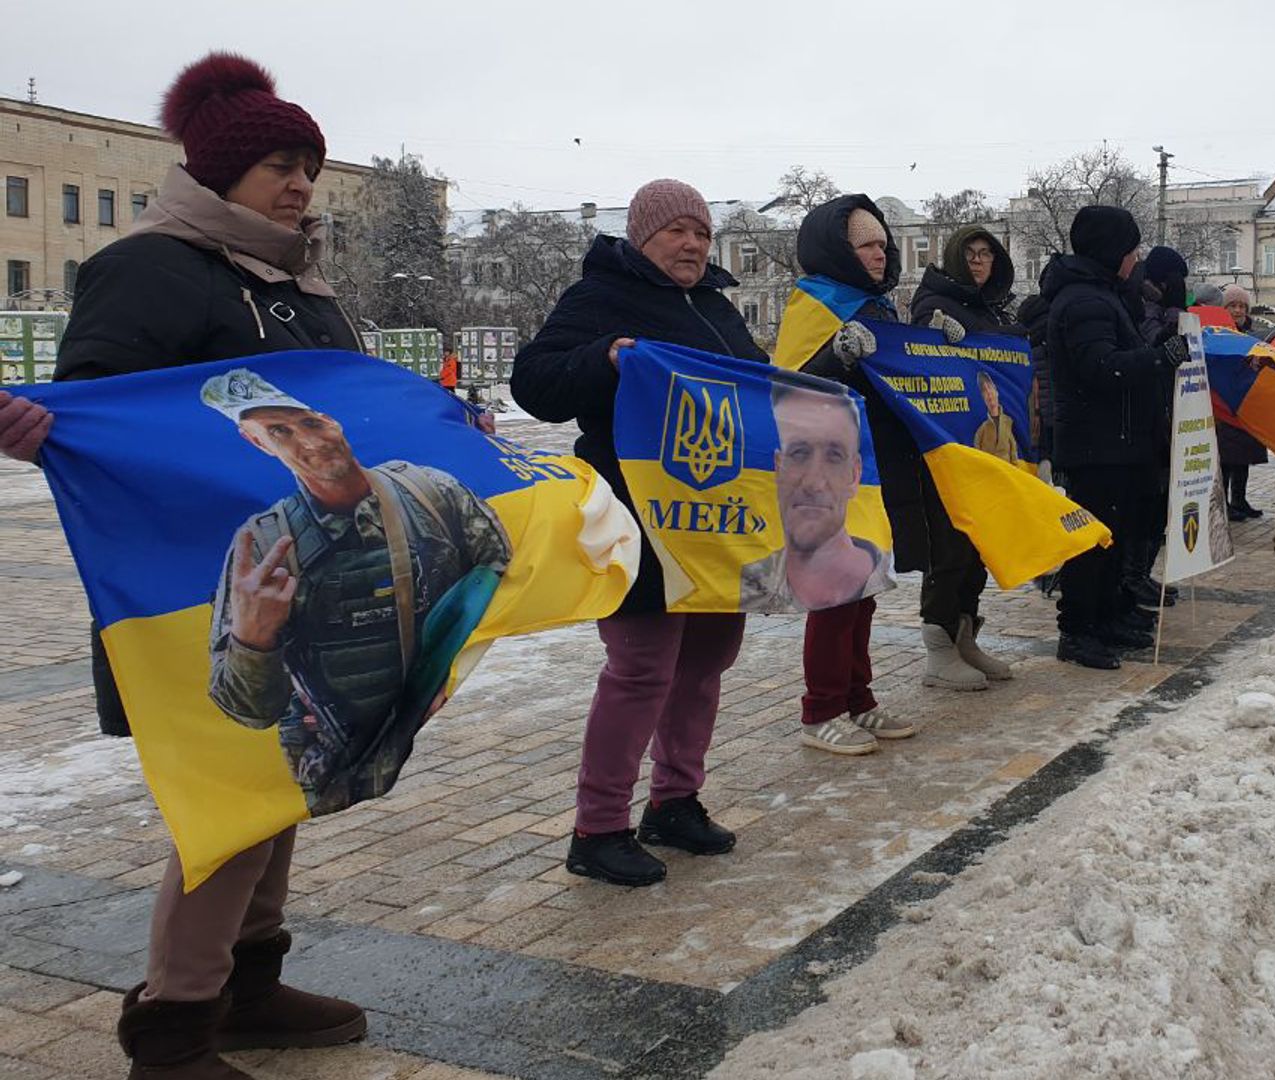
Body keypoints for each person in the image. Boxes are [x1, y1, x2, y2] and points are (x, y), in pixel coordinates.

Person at [0, 53, 368, 1080]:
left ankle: (250, 985)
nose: (299, 185)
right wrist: (41, 429)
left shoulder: (300, 287)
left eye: (309, 167)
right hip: (197, 590)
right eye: (278, 165)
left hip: (312, 576)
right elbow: (99, 416)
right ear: (216, 172)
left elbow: (346, 414)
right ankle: (172, 1027)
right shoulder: (149, 268)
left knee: (284, 779)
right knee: (227, 802)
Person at [512, 178, 765, 888]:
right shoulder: (599, 298)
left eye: (702, 233)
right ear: (642, 235)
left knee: (707, 658)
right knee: (642, 667)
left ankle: (675, 801)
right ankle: (598, 828)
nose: (691, 245)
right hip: (636, 510)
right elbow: (533, 380)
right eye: (677, 231)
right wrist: (607, 359)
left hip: (715, 516)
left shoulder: (714, 304)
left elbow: (754, 389)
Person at [204, 370, 511, 814]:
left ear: (332, 421)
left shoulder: (431, 493)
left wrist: (483, 449)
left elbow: (511, 572)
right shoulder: (264, 545)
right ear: (258, 445)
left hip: (416, 730)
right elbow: (248, 712)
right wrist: (253, 640)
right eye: (279, 432)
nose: (309, 441)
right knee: (251, 858)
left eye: (310, 423)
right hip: (326, 766)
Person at [787, 195, 923, 753]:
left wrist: (934, 345)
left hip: (871, 463)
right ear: (838, 248)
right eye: (865, 244)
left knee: (862, 586)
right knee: (833, 592)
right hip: (826, 467)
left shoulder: (878, 305)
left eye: (882, 245)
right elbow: (791, 385)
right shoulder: (814, 305)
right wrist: (837, 356)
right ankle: (821, 709)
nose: (877, 254)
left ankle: (857, 698)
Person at [1044, 206, 1185, 669]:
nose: (1136, 257)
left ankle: (1105, 616)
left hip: (1116, 442)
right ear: (1112, 251)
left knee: (1114, 539)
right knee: (1091, 544)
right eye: (1131, 249)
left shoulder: (1102, 295)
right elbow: (1102, 369)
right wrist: (1161, 357)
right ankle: (1078, 630)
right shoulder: (1084, 301)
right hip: (1095, 445)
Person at [907, 225, 1020, 690]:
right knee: (950, 548)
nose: (978, 262)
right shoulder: (933, 306)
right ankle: (939, 648)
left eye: (986, 254)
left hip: (988, 451)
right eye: (970, 254)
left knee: (978, 547)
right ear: (955, 257)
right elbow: (915, 361)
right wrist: (935, 339)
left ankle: (965, 636)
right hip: (948, 449)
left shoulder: (990, 308)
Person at [738, 381, 892, 612]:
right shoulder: (744, 582)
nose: (814, 483)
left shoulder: (876, 571)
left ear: (855, 474)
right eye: (799, 454)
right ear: (778, 468)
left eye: (834, 457)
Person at [1123, 245, 1188, 610]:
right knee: (1145, 504)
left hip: (1164, 416)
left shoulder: (1156, 303)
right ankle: (1131, 577)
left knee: (1159, 503)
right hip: (1146, 418)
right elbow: (1156, 344)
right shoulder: (1142, 303)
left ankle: (1140, 573)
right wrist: (1175, 312)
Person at [1216, 284, 1268, 521]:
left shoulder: (1252, 334)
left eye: (1241, 306)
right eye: (1232, 306)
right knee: (1227, 455)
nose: (1237, 311)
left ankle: (1239, 498)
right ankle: (1223, 501)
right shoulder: (1218, 332)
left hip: (1247, 400)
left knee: (1244, 454)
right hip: (1226, 400)